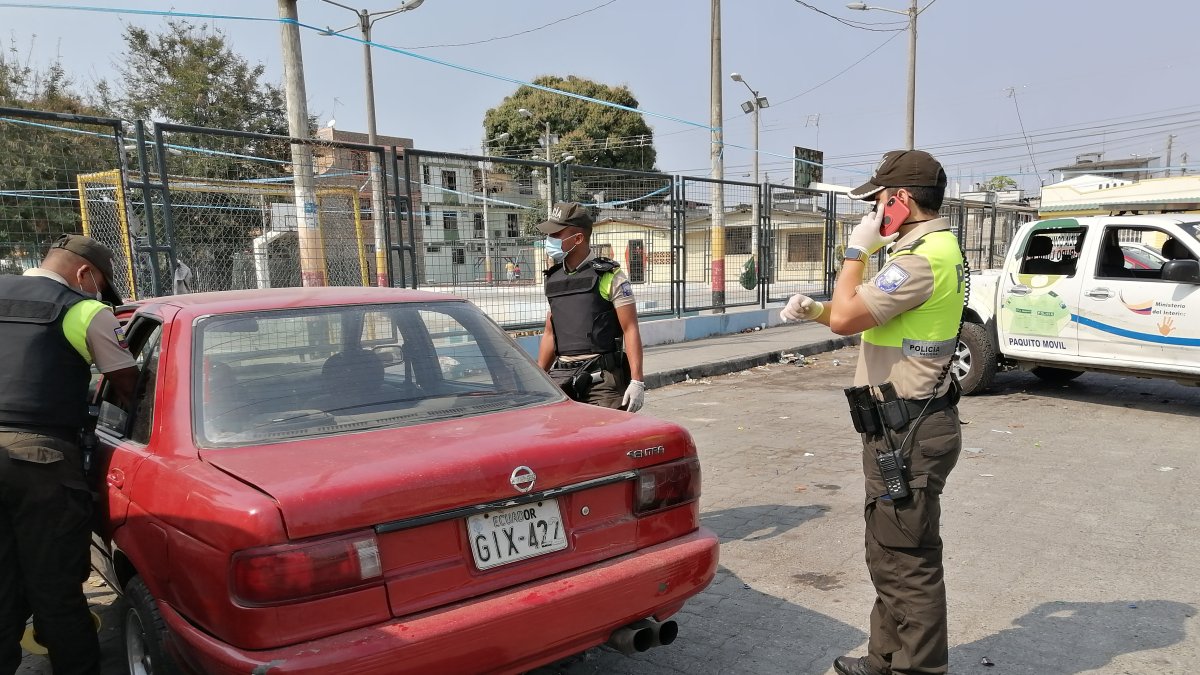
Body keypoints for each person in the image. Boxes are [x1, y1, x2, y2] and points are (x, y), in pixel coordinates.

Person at [779, 151, 965, 675]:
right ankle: (884, 662)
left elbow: (845, 317)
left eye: (880, 201)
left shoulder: (919, 258)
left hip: (909, 431)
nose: (875, 212)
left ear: (902, 201)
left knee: (908, 563)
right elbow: (860, 316)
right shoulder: (923, 250)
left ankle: (918, 670)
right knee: (890, 553)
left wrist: (856, 250)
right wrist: (814, 310)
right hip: (900, 425)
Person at [0, 234, 138, 675]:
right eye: (98, 285)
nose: (98, 294)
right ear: (84, 274)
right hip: (38, 458)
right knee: (55, 588)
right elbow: (130, 387)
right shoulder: (84, 310)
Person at [536, 202, 645, 412]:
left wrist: (637, 381)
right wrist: (540, 378)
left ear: (577, 239)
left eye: (556, 235)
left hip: (602, 381)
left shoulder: (610, 276)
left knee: (606, 440)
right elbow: (550, 332)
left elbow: (630, 329)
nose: (550, 240)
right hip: (562, 377)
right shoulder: (554, 279)